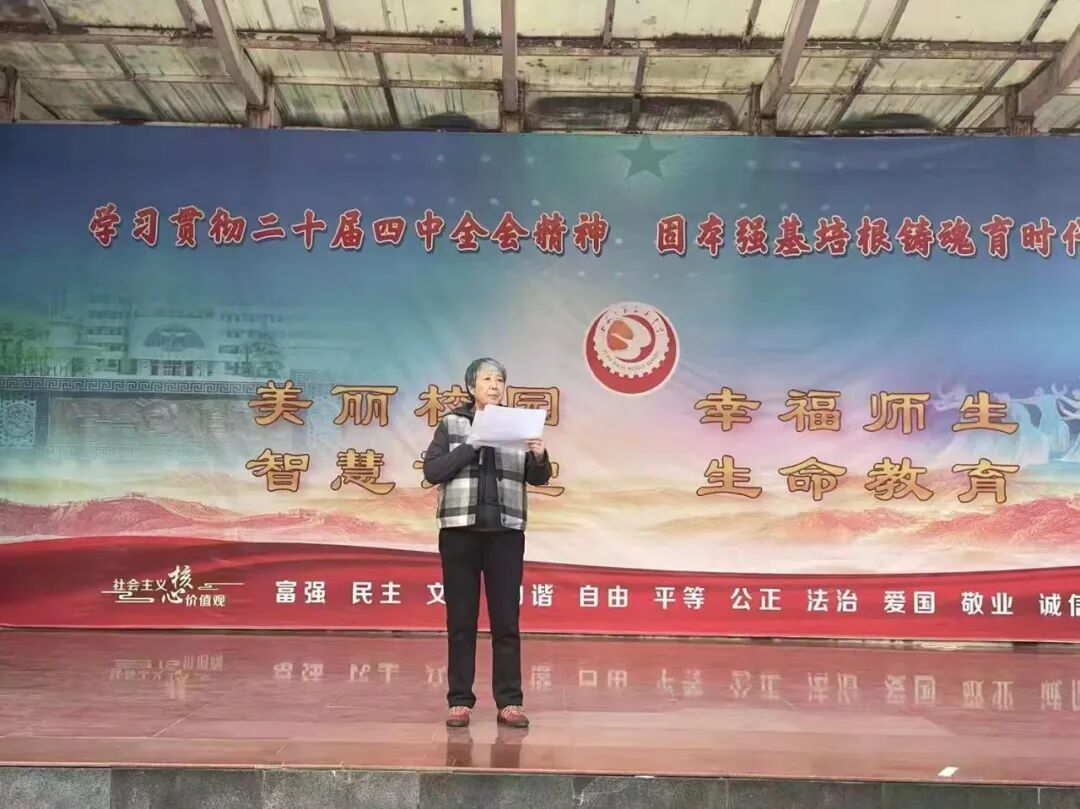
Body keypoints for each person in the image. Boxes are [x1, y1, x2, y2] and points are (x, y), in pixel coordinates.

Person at [422, 358, 552, 729]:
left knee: (506, 621)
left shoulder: (518, 425)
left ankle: (510, 702)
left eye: (499, 380)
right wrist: (471, 445)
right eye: (487, 379)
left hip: (505, 533)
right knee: (461, 621)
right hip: (459, 532)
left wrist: (538, 455)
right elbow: (433, 471)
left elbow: (539, 477)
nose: (494, 385)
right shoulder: (451, 423)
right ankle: (459, 701)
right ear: (471, 387)